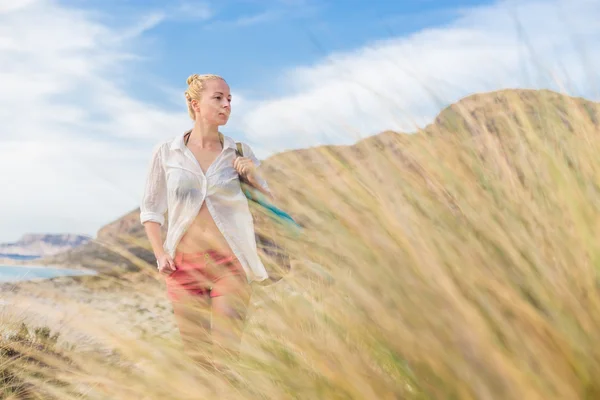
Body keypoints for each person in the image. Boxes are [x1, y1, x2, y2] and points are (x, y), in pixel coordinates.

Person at [140, 73, 272, 371]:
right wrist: (160, 254)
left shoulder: (239, 152)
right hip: (182, 267)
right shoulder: (167, 152)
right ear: (194, 103)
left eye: (229, 99)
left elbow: (270, 203)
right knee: (199, 362)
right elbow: (150, 210)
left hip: (231, 266)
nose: (226, 105)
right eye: (218, 98)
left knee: (226, 361)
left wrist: (253, 177)